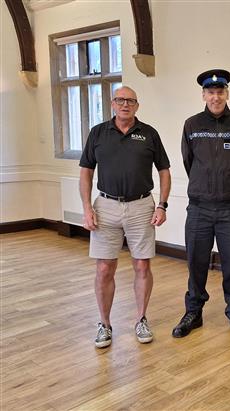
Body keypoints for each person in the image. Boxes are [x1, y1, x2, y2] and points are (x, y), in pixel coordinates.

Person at [79, 86, 171, 348]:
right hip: (105, 206)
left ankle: (141, 319)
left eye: (130, 101)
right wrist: (87, 208)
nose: (125, 105)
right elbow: (86, 172)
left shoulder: (149, 134)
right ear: (112, 103)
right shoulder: (98, 133)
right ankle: (104, 324)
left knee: (142, 265)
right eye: (120, 100)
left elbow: (164, 171)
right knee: (104, 268)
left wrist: (162, 205)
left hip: (141, 206)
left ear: (137, 105)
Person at [173, 69, 230, 338]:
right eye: (211, 92)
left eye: (220, 92)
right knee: (196, 263)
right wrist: (204, 187)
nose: (215, 97)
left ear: (227, 94)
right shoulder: (192, 125)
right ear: (203, 95)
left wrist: (229, 188)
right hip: (199, 208)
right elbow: (188, 162)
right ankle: (193, 312)